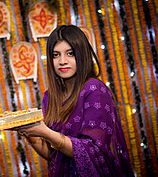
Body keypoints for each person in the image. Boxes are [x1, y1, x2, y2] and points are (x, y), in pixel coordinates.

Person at [16, 25, 134, 176]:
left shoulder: (94, 90)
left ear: (82, 55)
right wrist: (31, 134)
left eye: (70, 53)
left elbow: (94, 151)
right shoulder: (50, 97)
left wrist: (45, 132)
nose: (62, 61)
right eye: (55, 55)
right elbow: (54, 156)